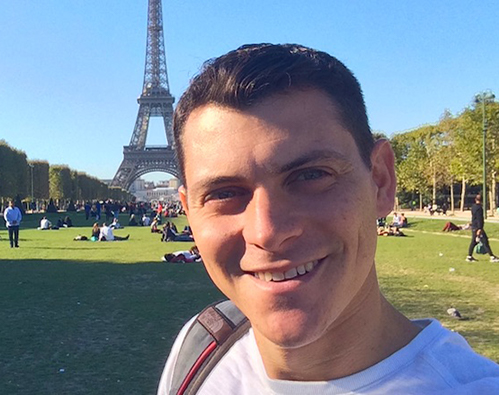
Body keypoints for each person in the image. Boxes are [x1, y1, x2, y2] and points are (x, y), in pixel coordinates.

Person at [157, 44, 499, 394]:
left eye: (310, 176)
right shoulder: (199, 348)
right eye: (224, 193)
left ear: (380, 181)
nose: (267, 231)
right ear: (189, 212)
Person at [466, 194, 499, 262]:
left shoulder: (473, 207)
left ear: (475, 199)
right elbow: (479, 219)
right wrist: (480, 228)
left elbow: (474, 218)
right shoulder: (480, 208)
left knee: (475, 242)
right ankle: (492, 257)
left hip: (474, 227)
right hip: (478, 228)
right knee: (484, 241)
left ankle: (469, 256)